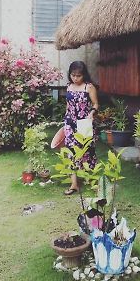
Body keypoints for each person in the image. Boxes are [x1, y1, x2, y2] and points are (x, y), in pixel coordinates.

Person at [63, 61, 99, 195]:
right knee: (71, 151)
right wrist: (65, 122)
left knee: (87, 151)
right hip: (70, 123)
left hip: (84, 123)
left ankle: (91, 180)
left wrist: (91, 113)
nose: (75, 78)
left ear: (83, 75)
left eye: (78, 76)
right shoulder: (68, 87)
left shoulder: (89, 87)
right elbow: (68, 106)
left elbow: (95, 104)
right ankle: (74, 184)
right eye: (73, 75)